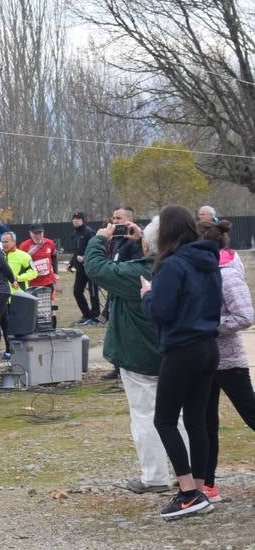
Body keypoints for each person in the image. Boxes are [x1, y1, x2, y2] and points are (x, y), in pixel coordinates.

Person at [139, 205, 222, 519]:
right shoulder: (208, 259)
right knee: (196, 420)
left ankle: (187, 491)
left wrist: (147, 294)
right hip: (208, 345)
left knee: (164, 420)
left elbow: (160, 312)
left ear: (164, 233)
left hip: (183, 347)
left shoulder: (171, 265)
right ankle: (200, 488)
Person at [83, 218, 175, 493]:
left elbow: (96, 268)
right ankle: (191, 473)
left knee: (145, 416)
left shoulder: (136, 273)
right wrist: (145, 243)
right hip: (176, 354)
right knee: (181, 416)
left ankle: (155, 476)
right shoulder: (182, 267)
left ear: (149, 243)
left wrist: (100, 238)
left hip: (139, 356)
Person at [199, 219, 255, 501]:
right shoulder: (199, 272)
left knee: (250, 414)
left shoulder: (228, 274)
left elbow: (246, 316)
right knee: (206, 424)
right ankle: (207, 484)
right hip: (204, 362)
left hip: (230, 361)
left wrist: (209, 326)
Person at [19, 222, 58, 323]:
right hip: (32, 282)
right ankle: (36, 325)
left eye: (40, 233)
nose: (38, 236)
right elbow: (21, 264)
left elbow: (54, 256)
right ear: (30, 233)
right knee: (35, 307)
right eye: (35, 233)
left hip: (48, 280)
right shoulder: (24, 246)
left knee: (50, 304)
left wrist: (56, 272)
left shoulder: (50, 243)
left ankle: (52, 325)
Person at [67, 212, 101, 325]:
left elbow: (97, 248)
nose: (76, 220)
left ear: (83, 220)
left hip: (91, 268)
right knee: (77, 291)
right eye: (74, 218)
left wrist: (86, 258)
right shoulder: (73, 234)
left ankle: (95, 317)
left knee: (93, 292)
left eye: (78, 218)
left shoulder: (89, 232)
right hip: (80, 270)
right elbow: (76, 252)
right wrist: (71, 264)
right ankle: (87, 315)